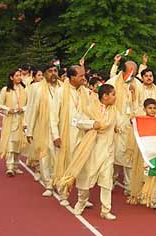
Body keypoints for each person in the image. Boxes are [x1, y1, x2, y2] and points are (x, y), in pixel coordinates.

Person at [72, 84, 118, 220]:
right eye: (113, 94)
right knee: (86, 179)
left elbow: (123, 123)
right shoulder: (90, 108)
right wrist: (92, 124)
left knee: (107, 181)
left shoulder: (114, 110)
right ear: (105, 96)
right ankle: (81, 203)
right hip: (92, 150)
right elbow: (77, 122)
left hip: (108, 151)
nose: (115, 97)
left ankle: (105, 210)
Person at [51, 65, 91, 206]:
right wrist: (55, 135)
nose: (83, 78)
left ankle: (83, 198)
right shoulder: (61, 92)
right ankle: (63, 194)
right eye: (80, 76)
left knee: (83, 166)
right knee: (65, 165)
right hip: (66, 134)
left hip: (83, 135)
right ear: (72, 77)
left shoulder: (86, 92)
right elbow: (53, 115)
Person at [25, 64, 61, 196]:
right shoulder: (38, 89)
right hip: (43, 128)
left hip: (59, 128)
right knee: (44, 157)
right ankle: (48, 185)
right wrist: (29, 130)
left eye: (55, 71)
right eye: (50, 71)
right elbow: (33, 109)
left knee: (57, 157)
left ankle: (57, 181)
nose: (53, 73)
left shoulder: (62, 88)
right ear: (45, 74)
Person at [105, 60, 139, 195]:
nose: (133, 76)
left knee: (129, 157)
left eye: (135, 73)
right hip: (114, 127)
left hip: (130, 127)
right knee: (112, 157)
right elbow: (105, 104)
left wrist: (134, 96)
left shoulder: (137, 84)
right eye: (131, 72)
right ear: (123, 71)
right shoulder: (112, 83)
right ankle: (110, 181)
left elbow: (140, 104)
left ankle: (129, 186)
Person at [0, 69, 27, 176]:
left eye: (20, 75)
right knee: (10, 143)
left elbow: (29, 104)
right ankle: (10, 166)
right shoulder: (6, 90)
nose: (19, 77)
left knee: (18, 144)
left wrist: (23, 108)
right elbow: (0, 104)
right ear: (11, 77)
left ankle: (16, 165)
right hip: (10, 119)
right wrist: (8, 109)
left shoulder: (24, 89)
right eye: (17, 76)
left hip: (21, 119)